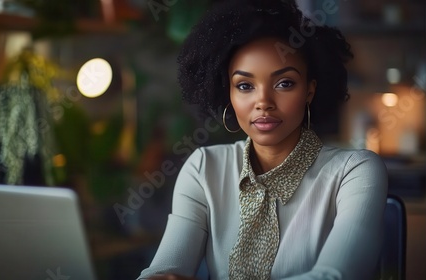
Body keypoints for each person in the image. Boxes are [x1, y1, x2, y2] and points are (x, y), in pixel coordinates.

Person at [138, 0, 388, 279]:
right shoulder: (204, 168)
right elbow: (164, 271)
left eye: (284, 83)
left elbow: (336, 275)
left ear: (309, 91)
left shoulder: (354, 171)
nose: (263, 102)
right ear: (229, 94)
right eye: (245, 86)